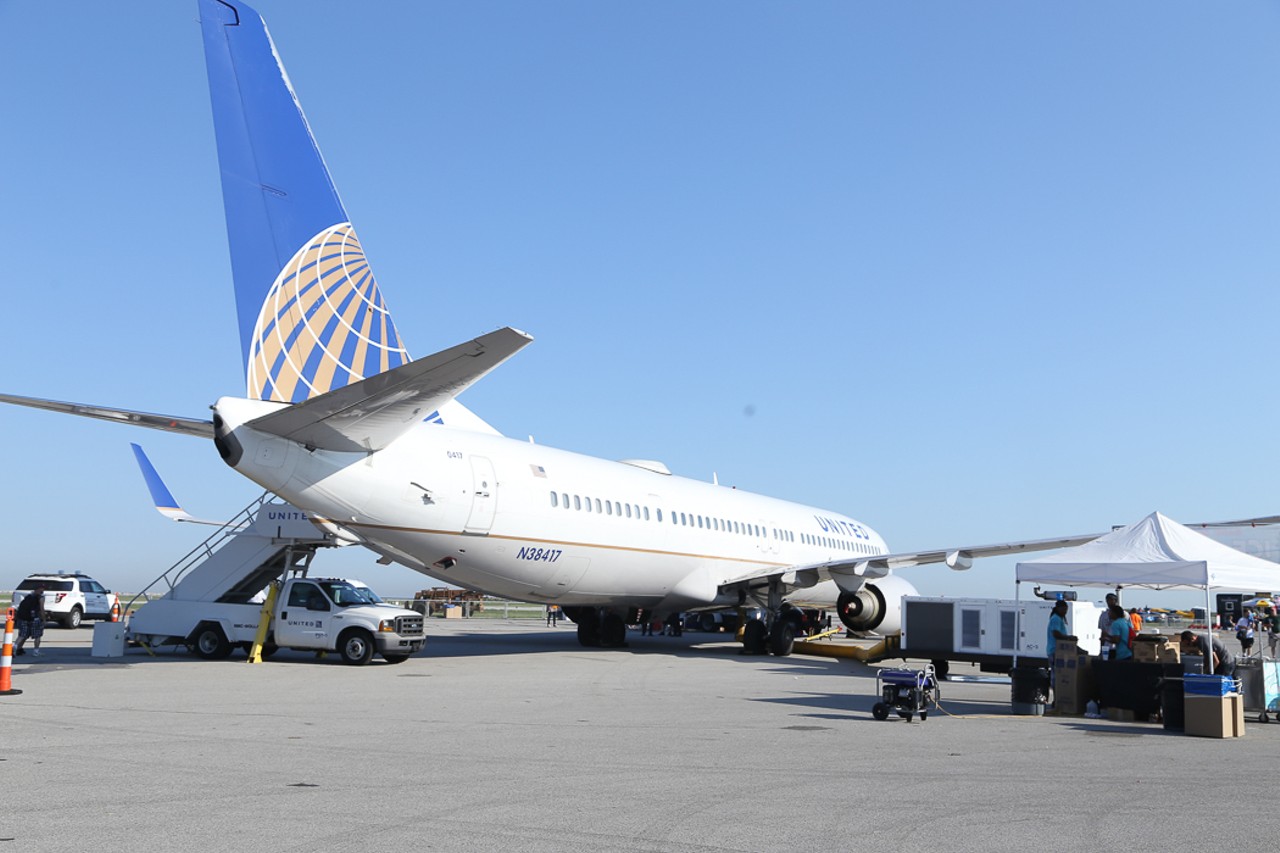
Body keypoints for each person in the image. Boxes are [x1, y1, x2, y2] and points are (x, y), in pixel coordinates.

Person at [14, 583, 47, 657]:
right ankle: (36, 651)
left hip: (23, 618)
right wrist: (44, 619)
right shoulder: (41, 597)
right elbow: (41, 609)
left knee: (22, 635)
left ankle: (14, 647)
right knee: (37, 636)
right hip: (35, 619)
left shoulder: (28, 597)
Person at [1097, 593, 1119, 658]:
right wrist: (1101, 649)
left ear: (1115, 601)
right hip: (1107, 648)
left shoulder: (1123, 615)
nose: (1109, 602)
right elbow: (1103, 632)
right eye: (1107, 600)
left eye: (1111, 600)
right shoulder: (1103, 615)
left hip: (1119, 648)